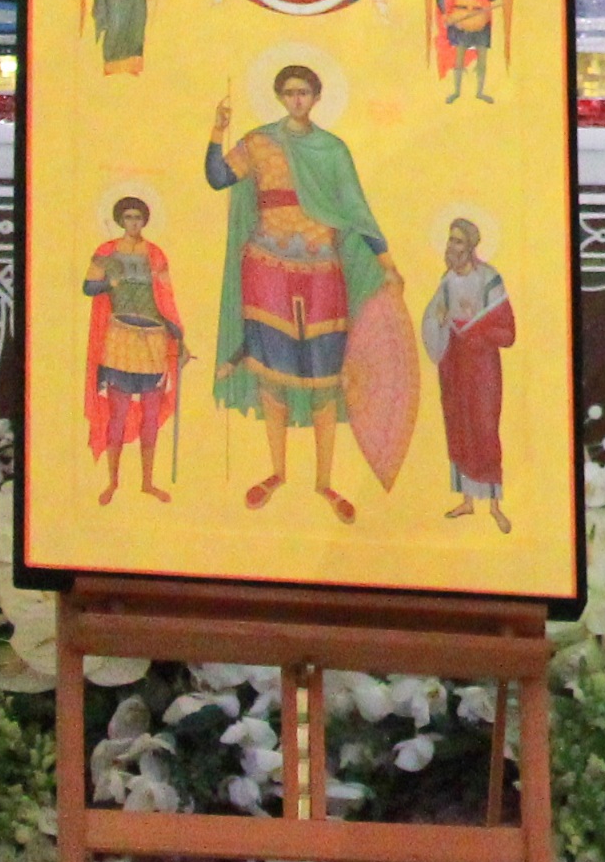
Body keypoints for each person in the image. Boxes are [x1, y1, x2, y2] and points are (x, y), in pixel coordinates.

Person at [208, 62, 402, 522]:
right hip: (267, 267)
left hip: (320, 269)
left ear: (316, 98)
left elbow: (356, 210)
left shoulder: (332, 150)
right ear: (280, 96)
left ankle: (324, 483)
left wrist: (387, 264)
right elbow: (218, 177)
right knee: (273, 372)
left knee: (324, 377)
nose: (297, 100)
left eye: (305, 92)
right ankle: (276, 472)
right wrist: (217, 130)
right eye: (289, 92)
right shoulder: (258, 142)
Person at [83, 195, 184, 504]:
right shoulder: (106, 252)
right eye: (128, 217)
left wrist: (179, 336)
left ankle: (147, 482)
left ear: (145, 221)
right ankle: (112, 482)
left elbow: (166, 297)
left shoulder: (155, 255)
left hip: (153, 338)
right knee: (118, 413)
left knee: (150, 416)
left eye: (138, 218)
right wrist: (108, 284)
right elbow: (88, 287)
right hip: (119, 338)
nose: (133, 223)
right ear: (120, 220)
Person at [421, 216, 516, 527]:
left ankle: (494, 505)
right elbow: (434, 318)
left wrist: (478, 331)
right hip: (455, 365)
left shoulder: (489, 279)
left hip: (482, 367)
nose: (452, 246)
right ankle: (466, 501)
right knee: (459, 426)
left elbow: (507, 331)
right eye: (450, 240)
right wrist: (440, 320)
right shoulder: (446, 281)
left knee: (484, 428)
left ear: (471, 246)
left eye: (458, 241)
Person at [429, 0, 505, 101]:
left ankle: (480, 91)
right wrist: (446, 15)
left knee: (482, 56)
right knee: (460, 55)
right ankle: (456, 91)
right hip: (459, 16)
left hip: (480, 17)